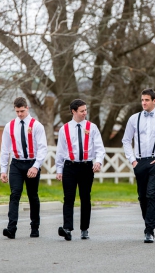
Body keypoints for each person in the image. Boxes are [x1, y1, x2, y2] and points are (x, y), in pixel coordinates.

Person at [122, 88, 155, 243]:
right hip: (139, 161)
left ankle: (149, 230)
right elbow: (126, 140)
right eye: (142, 100)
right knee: (142, 196)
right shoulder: (134, 118)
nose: (144, 103)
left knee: (151, 194)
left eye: (147, 100)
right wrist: (132, 160)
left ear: (154, 101)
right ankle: (148, 223)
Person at [55, 99, 105, 241]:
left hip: (86, 166)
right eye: (82, 111)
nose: (85, 113)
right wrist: (59, 169)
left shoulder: (92, 127)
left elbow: (99, 148)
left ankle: (84, 229)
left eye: (85, 110)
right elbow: (60, 151)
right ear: (73, 111)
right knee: (68, 197)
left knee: (85, 197)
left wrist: (98, 162)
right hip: (70, 166)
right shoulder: (64, 129)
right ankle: (67, 228)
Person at [0, 97, 47, 239]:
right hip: (16, 164)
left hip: (32, 163)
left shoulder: (37, 126)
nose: (19, 114)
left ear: (28, 108)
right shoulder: (9, 126)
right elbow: (5, 149)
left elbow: (42, 148)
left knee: (33, 195)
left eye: (22, 111)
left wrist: (36, 166)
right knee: (15, 194)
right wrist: (3, 170)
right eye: (17, 111)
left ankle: (35, 227)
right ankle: (11, 228)